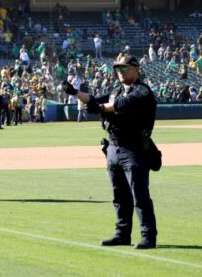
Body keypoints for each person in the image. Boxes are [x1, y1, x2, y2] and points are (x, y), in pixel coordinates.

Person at [62, 55, 158, 249]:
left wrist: (99, 107)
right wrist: (74, 92)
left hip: (134, 147)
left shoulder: (142, 91)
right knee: (119, 195)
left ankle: (148, 236)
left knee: (139, 194)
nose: (120, 72)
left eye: (124, 68)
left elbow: (122, 104)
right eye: (118, 69)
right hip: (114, 147)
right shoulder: (116, 90)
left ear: (136, 69)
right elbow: (94, 101)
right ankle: (122, 234)